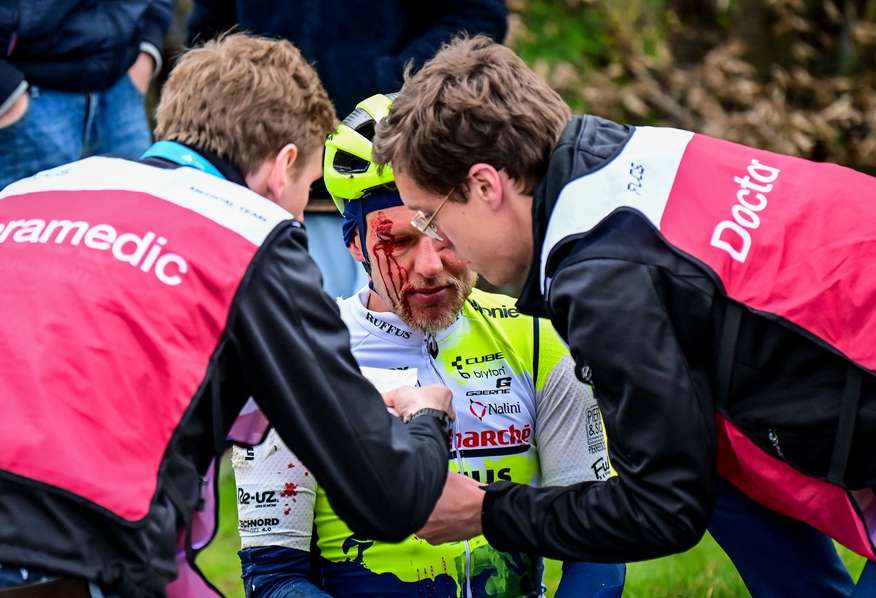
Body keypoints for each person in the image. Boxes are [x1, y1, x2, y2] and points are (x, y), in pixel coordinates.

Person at [372, 35, 876, 592]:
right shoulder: (625, 156)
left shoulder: (604, 278)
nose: (438, 245)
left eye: (432, 217)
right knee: (708, 447)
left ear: (485, 184)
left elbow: (662, 508)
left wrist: (486, 513)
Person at [0, 34, 453, 598]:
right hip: (54, 542)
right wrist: (426, 417)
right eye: (309, 188)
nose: (296, 210)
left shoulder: (33, 191)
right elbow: (392, 498)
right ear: (284, 166)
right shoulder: (250, 233)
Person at [231, 93, 626, 598]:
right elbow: (273, 578)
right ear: (353, 245)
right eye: (398, 242)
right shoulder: (297, 356)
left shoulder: (537, 338)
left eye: (444, 235)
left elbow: (597, 547)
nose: (431, 266)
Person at [185, 1, 508, 298]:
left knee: (393, 345)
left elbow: (476, 16)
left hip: (394, 194)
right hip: (264, 190)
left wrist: (388, 82)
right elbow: (208, 31)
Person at [0, 0, 172, 189]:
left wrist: (149, 43)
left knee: (134, 214)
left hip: (121, 93)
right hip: (28, 106)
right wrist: (8, 95)